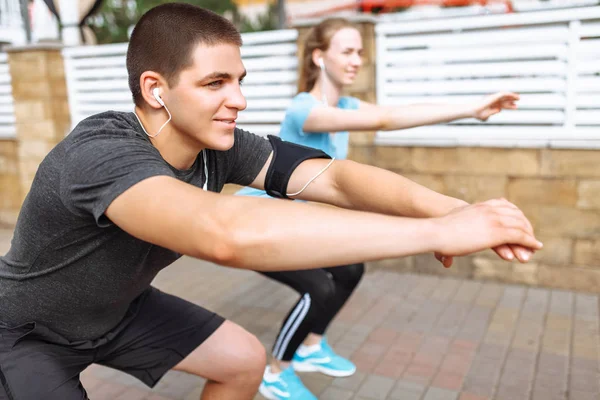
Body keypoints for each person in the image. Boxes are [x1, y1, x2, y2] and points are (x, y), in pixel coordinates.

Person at [0, 4, 541, 400]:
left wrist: (449, 209)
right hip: (26, 332)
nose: (238, 99)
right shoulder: (100, 154)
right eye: (215, 82)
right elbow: (227, 233)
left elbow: (339, 179)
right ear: (155, 88)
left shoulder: (222, 147)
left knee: (243, 360)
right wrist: (434, 236)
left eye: (238, 80)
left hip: (117, 312)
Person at [237, 17, 522, 400]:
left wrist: (472, 109)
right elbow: (385, 120)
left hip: (297, 220)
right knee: (318, 289)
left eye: (360, 51)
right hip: (258, 221)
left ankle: (311, 346)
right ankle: (276, 372)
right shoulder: (303, 110)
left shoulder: (348, 105)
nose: (357, 60)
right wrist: (471, 107)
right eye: (348, 51)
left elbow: (396, 113)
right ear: (319, 57)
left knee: (351, 268)